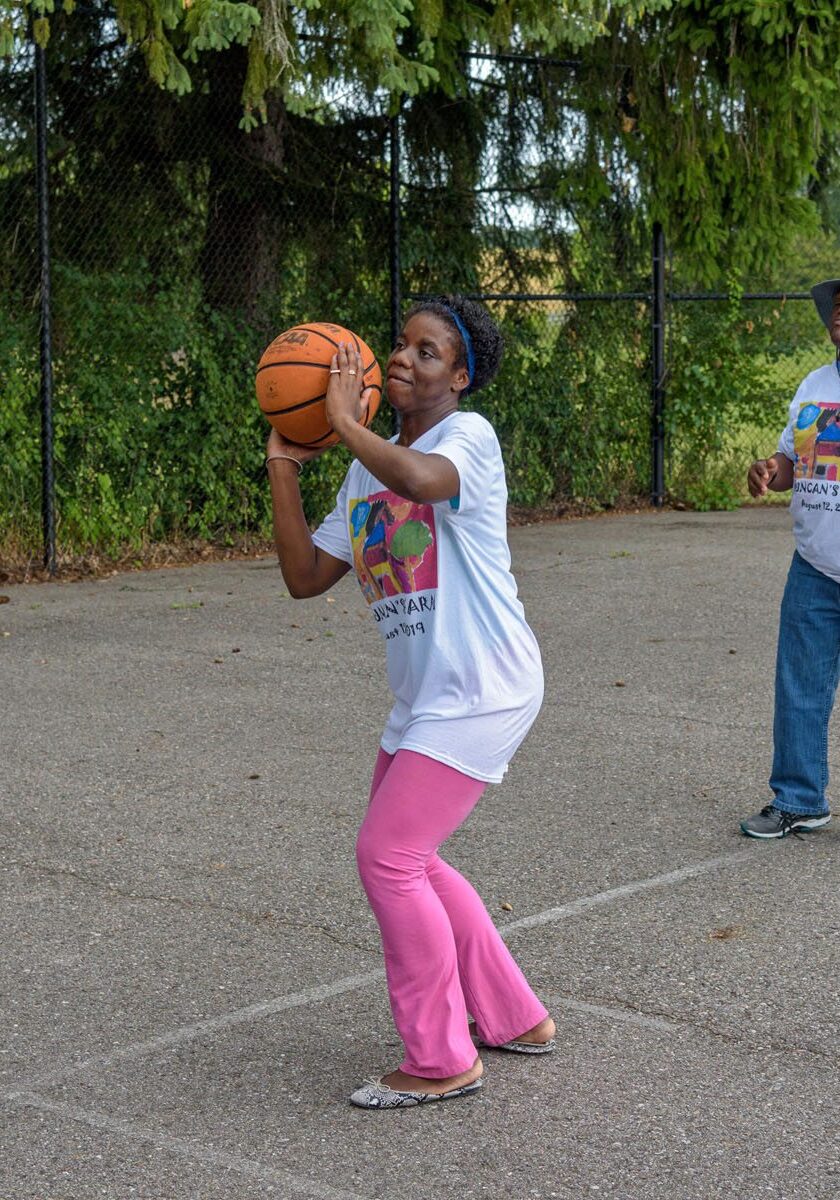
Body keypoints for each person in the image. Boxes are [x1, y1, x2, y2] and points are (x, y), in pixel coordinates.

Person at [265, 296, 554, 1108]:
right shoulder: (364, 468)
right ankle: (512, 1015)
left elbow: (423, 480)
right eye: (401, 344)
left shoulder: (470, 437)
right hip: (425, 698)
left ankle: (439, 1058)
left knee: (387, 857)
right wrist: (287, 460)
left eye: (428, 353)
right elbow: (303, 577)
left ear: (458, 378)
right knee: (412, 859)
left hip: (484, 686)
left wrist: (342, 422)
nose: (403, 358)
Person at [740, 277, 840, 839]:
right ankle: (800, 798)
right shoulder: (814, 385)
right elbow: (789, 460)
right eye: (837, 309)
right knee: (799, 687)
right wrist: (767, 470)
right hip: (815, 566)